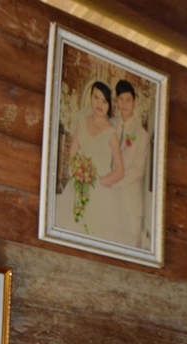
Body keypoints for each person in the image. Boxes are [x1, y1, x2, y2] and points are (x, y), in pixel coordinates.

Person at [60, 81, 125, 240]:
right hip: (78, 187)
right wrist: (78, 173)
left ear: (109, 105)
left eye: (104, 101)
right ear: (91, 97)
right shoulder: (82, 122)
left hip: (99, 192)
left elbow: (120, 171)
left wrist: (98, 181)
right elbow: (73, 151)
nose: (99, 104)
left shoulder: (111, 133)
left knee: (93, 233)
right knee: (71, 229)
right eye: (96, 97)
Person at [112, 79, 150, 249]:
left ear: (134, 103)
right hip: (109, 197)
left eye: (128, 100)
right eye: (121, 99)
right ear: (116, 101)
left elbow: (138, 170)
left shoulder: (141, 135)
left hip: (130, 200)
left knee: (132, 246)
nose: (125, 104)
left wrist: (115, 182)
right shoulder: (110, 125)